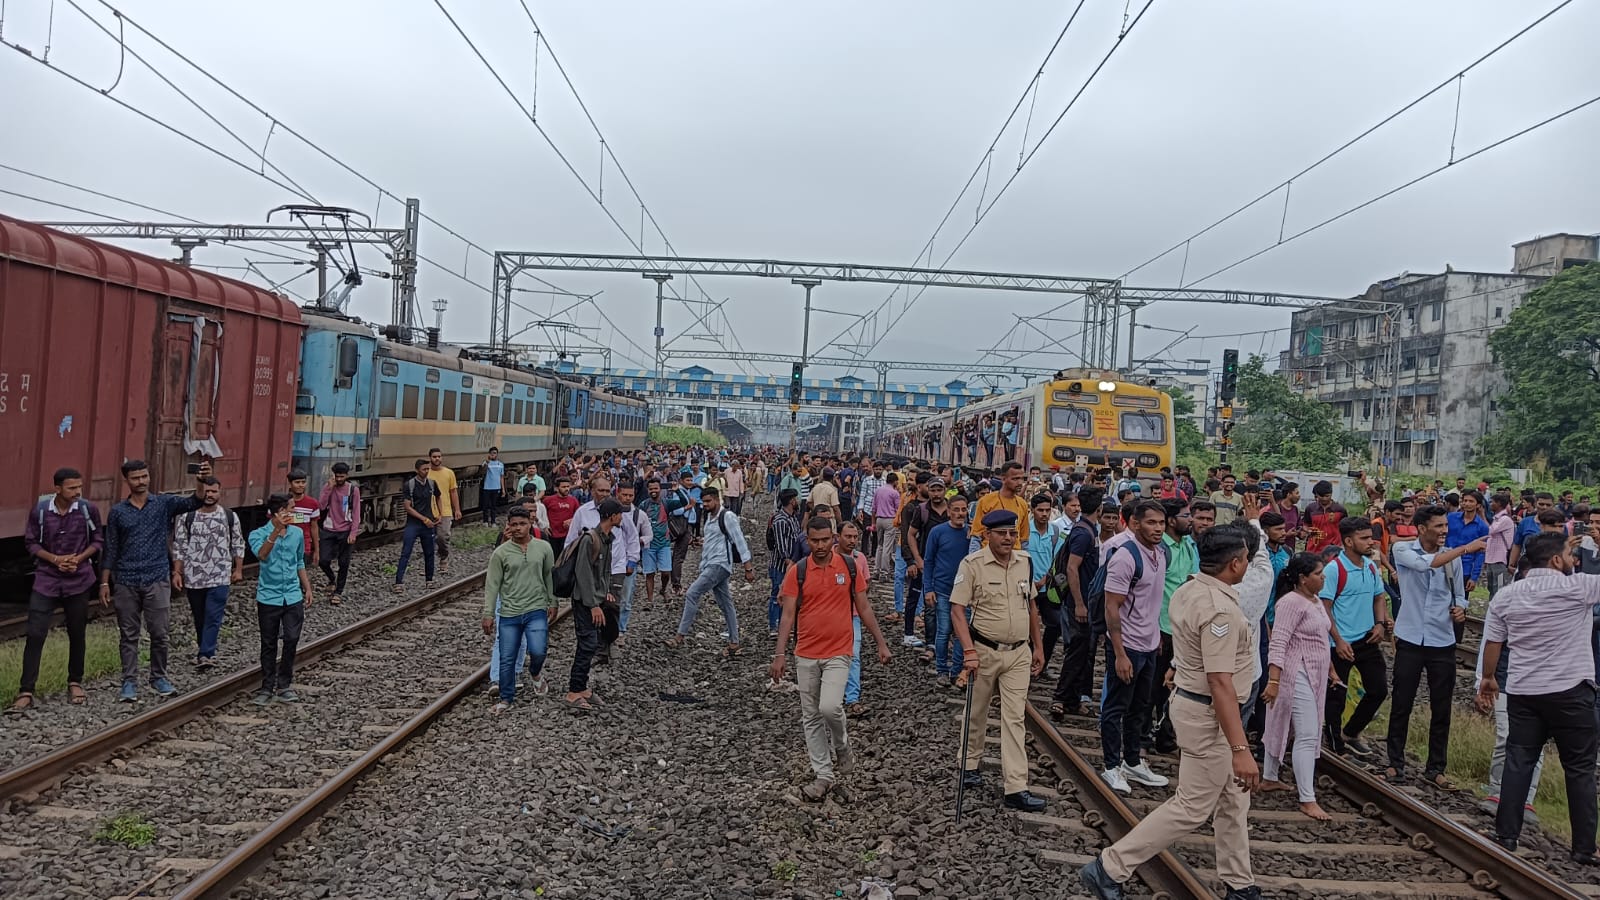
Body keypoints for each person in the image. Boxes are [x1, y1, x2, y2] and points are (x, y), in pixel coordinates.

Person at [1078, 527, 1261, 900]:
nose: (1247, 564)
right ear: (1235, 563)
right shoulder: (1219, 609)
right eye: (1245, 558)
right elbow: (1221, 683)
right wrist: (1241, 750)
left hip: (1196, 704)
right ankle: (1110, 866)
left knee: (1233, 798)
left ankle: (1240, 885)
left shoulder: (1191, 589)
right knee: (1192, 807)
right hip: (1210, 715)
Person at [1476, 532, 1600, 864]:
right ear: (1557, 560)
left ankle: (1507, 835)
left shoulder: (1506, 595)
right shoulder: (1581, 587)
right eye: (1569, 555)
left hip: (1524, 691)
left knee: (1519, 761)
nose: (1575, 561)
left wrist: (1488, 679)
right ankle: (1585, 848)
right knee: (1580, 768)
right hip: (1571, 691)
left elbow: (1493, 643)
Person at [771, 517, 892, 800]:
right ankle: (823, 773)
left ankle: (842, 744)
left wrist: (881, 644)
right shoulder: (798, 572)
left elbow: (863, 607)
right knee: (810, 716)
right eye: (815, 541)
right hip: (806, 652)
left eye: (826, 540)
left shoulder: (848, 568)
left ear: (834, 538)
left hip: (839, 650)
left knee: (829, 707)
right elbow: (787, 615)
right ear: (807, 540)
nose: (821, 545)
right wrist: (779, 654)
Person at [951, 510, 1048, 812]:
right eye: (1002, 533)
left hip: (1018, 653)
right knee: (976, 711)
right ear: (987, 535)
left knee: (1015, 718)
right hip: (984, 652)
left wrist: (1038, 647)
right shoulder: (973, 565)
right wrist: (968, 651)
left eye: (1012, 533)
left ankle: (1016, 786)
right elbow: (957, 610)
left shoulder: (1025, 563)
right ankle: (969, 765)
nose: (1008, 538)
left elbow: (1031, 607)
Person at [1387, 505, 1478, 787]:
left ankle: (1436, 767)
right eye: (1438, 526)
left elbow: (1460, 595)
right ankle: (1394, 763)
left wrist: (1461, 608)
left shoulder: (1452, 559)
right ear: (1422, 528)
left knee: (1442, 707)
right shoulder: (1403, 551)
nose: (1443, 532)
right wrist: (1465, 548)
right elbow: (1426, 564)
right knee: (1402, 702)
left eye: (1445, 527)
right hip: (1411, 637)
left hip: (1442, 639)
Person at [102, 459, 206, 702]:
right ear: (126, 481)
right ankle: (129, 682)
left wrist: (201, 481)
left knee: (159, 633)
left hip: (156, 578)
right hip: (126, 580)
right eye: (136, 478)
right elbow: (111, 548)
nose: (141, 482)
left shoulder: (163, 503)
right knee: (128, 635)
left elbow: (195, 501)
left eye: (144, 476)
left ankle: (158, 677)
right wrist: (104, 582)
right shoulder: (118, 512)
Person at [12, 467, 103, 711]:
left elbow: (97, 540)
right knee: (36, 633)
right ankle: (26, 690)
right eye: (72, 488)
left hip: (79, 579)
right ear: (58, 488)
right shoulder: (41, 511)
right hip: (46, 579)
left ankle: (75, 681)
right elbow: (31, 543)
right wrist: (55, 559)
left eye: (79, 487)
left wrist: (79, 558)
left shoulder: (87, 510)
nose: (77, 492)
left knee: (77, 632)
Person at [1099, 500, 1170, 794]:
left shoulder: (1161, 553)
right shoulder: (1125, 558)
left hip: (1149, 644)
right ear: (1135, 524)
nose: (1158, 529)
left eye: (1161, 523)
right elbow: (1111, 607)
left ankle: (1132, 761)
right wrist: (1119, 653)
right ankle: (1111, 766)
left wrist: (1156, 640)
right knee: (1115, 707)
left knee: (1140, 707)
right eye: (1151, 523)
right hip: (1127, 645)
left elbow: (1152, 600)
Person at [1259, 552, 1337, 820]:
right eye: (1318, 573)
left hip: (1314, 673)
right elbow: (1279, 641)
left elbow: (1320, 639)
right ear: (1303, 579)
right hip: (1297, 673)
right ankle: (1307, 798)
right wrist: (1274, 679)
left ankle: (1269, 777)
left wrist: (1330, 669)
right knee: (1307, 733)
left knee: (1282, 723)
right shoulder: (1291, 603)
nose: (1323, 577)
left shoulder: (1313, 600)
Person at [1320, 516, 1390, 758]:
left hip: (1366, 639)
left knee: (1378, 689)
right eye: (1364, 538)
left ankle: (1350, 732)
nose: (1371, 542)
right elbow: (1324, 607)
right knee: (1336, 696)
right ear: (1348, 541)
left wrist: (1380, 624)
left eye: (1370, 537)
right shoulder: (1334, 570)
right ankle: (1334, 743)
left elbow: (1379, 596)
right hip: (1339, 644)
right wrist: (1338, 640)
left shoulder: (1370, 566)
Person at [482, 506, 556, 712]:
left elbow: (549, 576)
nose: (517, 528)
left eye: (522, 524)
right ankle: (506, 698)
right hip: (509, 612)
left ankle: (534, 672)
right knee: (507, 657)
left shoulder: (543, 548)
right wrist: (488, 613)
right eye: (513, 524)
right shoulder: (500, 553)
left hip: (536, 609)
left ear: (530, 524)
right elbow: (492, 584)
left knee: (538, 650)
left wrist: (553, 601)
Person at [667, 487, 755, 656]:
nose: (705, 505)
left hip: (719, 564)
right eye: (704, 502)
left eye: (708, 501)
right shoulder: (709, 518)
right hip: (711, 564)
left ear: (717, 499)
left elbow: (740, 541)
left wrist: (748, 567)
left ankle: (680, 636)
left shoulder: (727, 516)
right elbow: (713, 540)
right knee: (725, 603)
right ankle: (734, 641)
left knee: (692, 593)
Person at [171, 476, 245, 670]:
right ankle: (204, 650)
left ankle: (206, 654)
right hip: (194, 576)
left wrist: (238, 569)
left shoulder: (229, 516)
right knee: (200, 616)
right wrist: (177, 572)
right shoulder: (188, 516)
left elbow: (238, 543)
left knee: (214, 614)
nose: (209, 495)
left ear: (220, 493)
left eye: (213, 491)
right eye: (206, 491)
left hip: (220, 574)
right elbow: (179, 545)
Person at [248, 494, 313, 705]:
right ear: (278, 513)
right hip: (269, 596)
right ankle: (267, 686)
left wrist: (307, 587)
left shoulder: (297, 534)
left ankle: (284, 684)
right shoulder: (258, 534)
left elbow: (299, 562)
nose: (294, 513)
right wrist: (276, 530)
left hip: (292, 595)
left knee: (292, 638)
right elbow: (262, 555)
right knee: (268, 643)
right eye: (291, 509)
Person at [1051, 487, 1105, 720]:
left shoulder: (1085, 529)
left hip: (1084, 601)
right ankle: (1060, 697)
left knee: (1083, 652)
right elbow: (1073, 568)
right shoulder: (1084, 534)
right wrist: (1080, 604)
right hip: (1079, 603)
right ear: (1100, 509)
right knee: (1076, 651)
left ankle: (1072, 700)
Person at [565, 498, 623, 712]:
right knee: (587, 644)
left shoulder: (607, 538)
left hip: (596, 598)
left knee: (593, 643)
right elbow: (583, 574)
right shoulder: (591, 539)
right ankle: (573, 691)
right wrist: (593, 605)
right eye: (620, 514)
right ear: (613, 516)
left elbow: (602, 572)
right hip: (584, 602)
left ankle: (582, 688)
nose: (622, 517)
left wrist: (604, 593)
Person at [923, 493, 972, 687]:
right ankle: (942, 669)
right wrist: (929, 588)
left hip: (965, 591)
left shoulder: (971, 534)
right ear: (949, 512)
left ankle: (957, 670)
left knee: (962, 632)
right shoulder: (937, 532)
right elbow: (929, 561)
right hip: (943, 589)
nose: (961, 513)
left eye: (963, 509)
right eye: (956, 510)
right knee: (943, 631)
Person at [1026, 493, 1068, 673]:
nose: (1044, 514)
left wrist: (1044, 580)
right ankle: (1027, 662)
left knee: (1055, 624)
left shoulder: (1056, 533)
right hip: (1026, 589)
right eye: (1040, 510)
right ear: (1032, 510)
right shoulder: (1024, 531)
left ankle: (1043, 658)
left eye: (1047, 510)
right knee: (1024, 628)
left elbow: (1058, 562)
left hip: (1047, 588)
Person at [838, 520, 876, 713]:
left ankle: (852, 697)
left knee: (853, 655)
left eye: (855, 537)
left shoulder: (859, 558)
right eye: (848, 537)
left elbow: (866, 583)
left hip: (853, 615)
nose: (852, 540)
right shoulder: (827, 557)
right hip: (831, 616)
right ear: (838, 537)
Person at [317, 462, 361, 605]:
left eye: (342, 476)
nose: (339, 479)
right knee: (323, 560)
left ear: (347, 476)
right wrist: (328, 488)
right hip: (328, 529)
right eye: (337, 476)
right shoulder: (328, 487)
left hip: (345, 530)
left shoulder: (353, 490)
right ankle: (331, 579)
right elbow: (321, 506)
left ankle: (338, 591)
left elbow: (356, 513)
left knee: (344, 562)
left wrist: (353, 533)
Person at [394, 459, 440, 593]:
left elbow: (438, 496)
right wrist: (423, 518)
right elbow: (407, 507)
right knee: (406, 552)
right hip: (414, 523)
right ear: (417, 470)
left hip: (428, 523)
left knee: (430, 552)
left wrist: (439, 513)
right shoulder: (410, 485)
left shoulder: (432, 484)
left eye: (427, 469)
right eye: (424, 469)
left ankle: (429, 580)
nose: (426, 471)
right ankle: (398, 581)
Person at [767, 489, 803, 636]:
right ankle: (774, 626)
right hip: (781, 565)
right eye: (796, 498)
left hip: (792, 564)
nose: (798, 501)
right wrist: (789, 562)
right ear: (791, 501)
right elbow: (781, 545)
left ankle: (785, 624)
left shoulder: (793, 518)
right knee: (777, 594)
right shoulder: (781, 520)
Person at [971, 462, 1032, 548]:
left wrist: (1026, 560)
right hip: (990, 555)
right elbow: (976, 536)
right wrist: (974, 560)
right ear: (1003, 479)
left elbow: (1024, 540)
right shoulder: (986, 501)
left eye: (1022, 479)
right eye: (1015, 479)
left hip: (1014, 555)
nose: (1020, 482)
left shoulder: (1022, 504)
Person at [427, 448, 461, 571]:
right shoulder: (426, 473)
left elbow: (453, 492)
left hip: (445, 511)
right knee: (428, 540)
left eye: (439, 456)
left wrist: (457, 509)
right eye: (434, 456)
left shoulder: (449, 473)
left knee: (442, 537)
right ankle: (429, 565)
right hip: (428, 511)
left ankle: (444, 557)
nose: (437, 459)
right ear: (430, 458)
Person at [286, 468, 321, 574]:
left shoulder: (312, 504)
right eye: (297, 482)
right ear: (290, 484)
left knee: (299, 576)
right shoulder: (280, 502)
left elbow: (314, 527)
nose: (301, 485)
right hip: (284, 546)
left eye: (303, 482)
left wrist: (316, 550)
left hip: (303, 547)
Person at [1484, 492, 1516, 598]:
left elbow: (1490, 531)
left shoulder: (1504, 520)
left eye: (1492, 502)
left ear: (1499, 504)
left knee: (1499, 587)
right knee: (1491, 588)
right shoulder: (1496, 519)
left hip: (1500, 559)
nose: (1490, 504)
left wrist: (1481, 515)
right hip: (1491, 559)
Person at [1303, 480, 1347, 556]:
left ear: (1331, 494)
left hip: (1334, 549)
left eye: (1327, 496)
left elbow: (1345, 528)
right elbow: (1306, 525)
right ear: (1316, 495)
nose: (1324, 499)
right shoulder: (1310, 509)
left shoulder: (1340, 510)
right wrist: (1308, 530)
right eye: (1321, 496)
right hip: (1314, 548)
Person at [542, 475, 581, 559]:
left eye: (568, 486)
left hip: (567, 535)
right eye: (563, 487)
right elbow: (542, 513)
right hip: (552, 535)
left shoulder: (573, 500)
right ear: (556, 488)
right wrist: (545, 526)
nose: (566, 489)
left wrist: (571, 520)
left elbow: (579, 516)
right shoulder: (548, 500)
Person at [481, 447, 506, 526]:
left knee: (494, 506)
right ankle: (485, 521)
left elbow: (501, 477)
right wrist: (487, 462)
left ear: (497, 454)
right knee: (485, 505)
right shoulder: (486, 463)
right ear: (489, 454)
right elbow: (482, 471)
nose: (493, 455)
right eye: (491, 453)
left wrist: (503, 489)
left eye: (494, 453)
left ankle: (493, 521)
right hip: (487, 487)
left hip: (496, 487)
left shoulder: (500, 464)